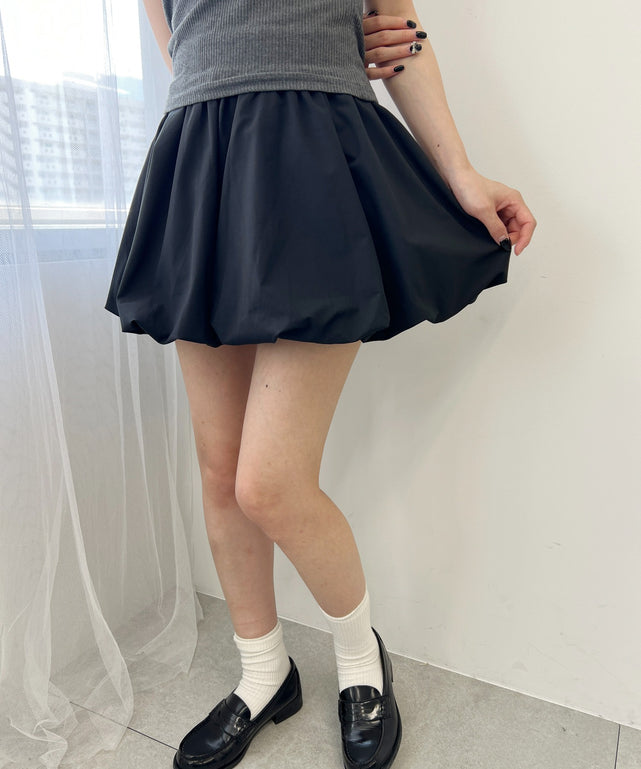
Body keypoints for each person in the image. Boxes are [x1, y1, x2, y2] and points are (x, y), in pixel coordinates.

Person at [104, 2, 536, 768]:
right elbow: (186, 45)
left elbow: (400, 38)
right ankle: (263, 673)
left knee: (269, 482)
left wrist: (460, 173)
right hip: (202, 165)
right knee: (219, 472)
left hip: (313, 159)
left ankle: (361, 663)